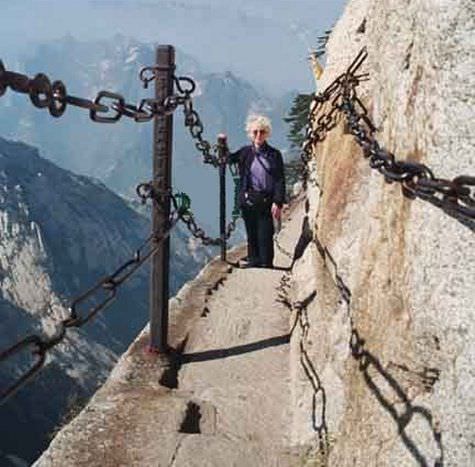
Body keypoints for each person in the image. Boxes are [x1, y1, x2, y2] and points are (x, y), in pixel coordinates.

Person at [228, 114, 285, 268]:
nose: (258, 135)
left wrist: (278, 202)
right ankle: (254, 260)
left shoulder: (274, 155)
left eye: (262, 131)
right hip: (249, 198)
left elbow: (279, 179)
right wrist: (222, 145)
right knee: (251, 230)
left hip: (266, 199)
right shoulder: (245, 153)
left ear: (267, 133)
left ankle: (266, 262)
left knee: (266, 231)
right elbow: (229, 158)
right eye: (255, 132)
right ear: (250, 134)